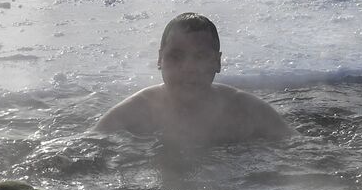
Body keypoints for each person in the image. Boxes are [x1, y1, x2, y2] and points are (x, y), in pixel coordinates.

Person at [95, 13, 293, 144]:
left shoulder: (245, 110)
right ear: (159, 59)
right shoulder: (136, 111)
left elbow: (298, 146)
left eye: (201, 57)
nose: (189, 68)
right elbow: (86, 145)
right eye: (176, 56)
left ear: (217, 62)